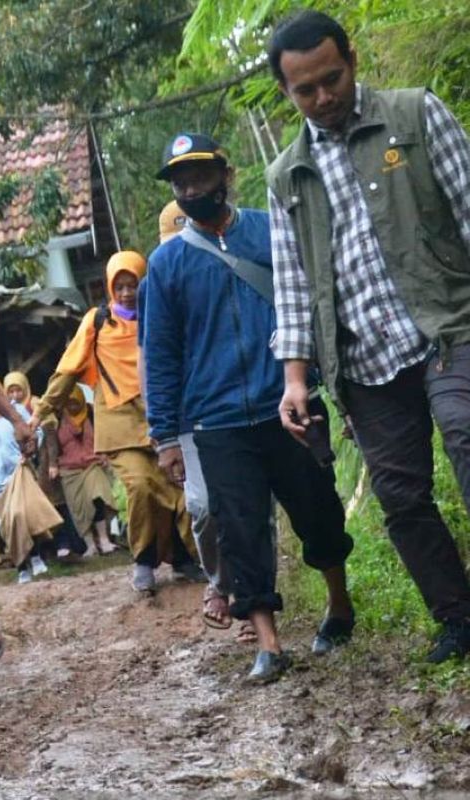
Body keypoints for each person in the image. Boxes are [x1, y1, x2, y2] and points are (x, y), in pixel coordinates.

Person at [266, 10, 470, 663]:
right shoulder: (287, 177)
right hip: (364, 360)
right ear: (286, 91)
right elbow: (295, 286)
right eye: (307, 89)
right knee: (402, 495)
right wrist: (296, 380)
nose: (325, 97)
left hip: (448, 325)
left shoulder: (414, 115)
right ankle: (458, 617)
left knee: (468, 439)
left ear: (351, 60)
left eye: (334, 78)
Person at [144, 132, 357, 683]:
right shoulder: (166, 266)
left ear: (224, 173)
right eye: (180, 181)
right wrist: (165, 435)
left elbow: (313, 299)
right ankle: (268, 642)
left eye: (199, 175)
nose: (191, 188)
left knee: (317, 508)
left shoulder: (269, 231)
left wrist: (328, 380)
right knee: (240, 529)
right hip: (216, 418)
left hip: (287, 400)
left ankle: (338, 604)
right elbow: (160, 356)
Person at [35, 251, 201, 593]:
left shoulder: (158, 317)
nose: (126, 292)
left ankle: (184, 558)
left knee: (179, 491)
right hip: (119, 423)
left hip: (162, 418)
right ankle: (143, 560)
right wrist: (41, 411)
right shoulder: (98, 321)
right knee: (140, 485)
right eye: (120, 286)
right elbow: (68, 370)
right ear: (110, 286)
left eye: (133, 284)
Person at [150, 199, 235, 632]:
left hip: (232, 404)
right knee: (202, 507)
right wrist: (163, 435)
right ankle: (220, 581)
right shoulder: (158, 284)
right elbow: (154, 361)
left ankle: (254, 601)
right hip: (187, 418)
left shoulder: (227, 268)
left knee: (249, 504)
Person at [0, 373, 60, 583]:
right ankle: (21, 566)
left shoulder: (16, 412)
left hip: (19, 473)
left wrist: (29, 450)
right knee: (9, 522)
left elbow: (34, 433)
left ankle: (35, 557)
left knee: (24, 514)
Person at [53, 385, 118, 558]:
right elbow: (51, 445)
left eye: (75, 403)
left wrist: (105, 453)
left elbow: (103, 434)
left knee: (97, 495)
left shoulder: (91, 413)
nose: (72, 407)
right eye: (69, 403)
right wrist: (52, 464)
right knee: (79, 508)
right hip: (69, 470)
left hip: (92, 464)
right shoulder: (57, 418)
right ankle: (90, 545)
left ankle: (104, 539)